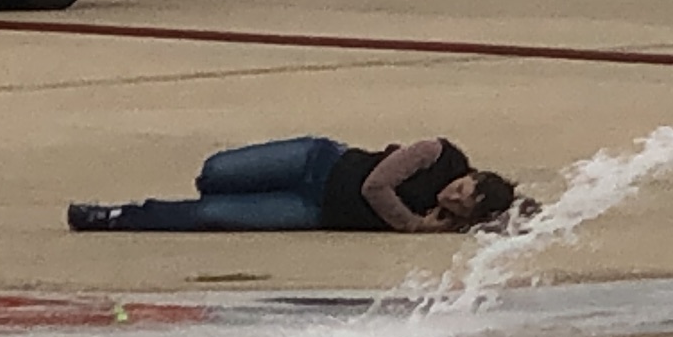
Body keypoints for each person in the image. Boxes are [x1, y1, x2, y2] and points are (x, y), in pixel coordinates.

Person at [67, 136, 521, 233]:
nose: (450, 197)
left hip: (315, 212)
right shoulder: (437, 154)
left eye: (459, 206)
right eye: (460, 189)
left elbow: (503, 225)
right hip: (319, 163)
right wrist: (412, 225)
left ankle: (111, 216)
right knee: (214, 175)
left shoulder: (450, 221)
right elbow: (375, 187)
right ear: (470, 174)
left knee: (211, 217)